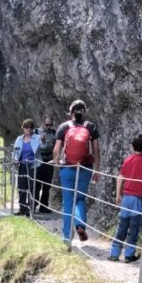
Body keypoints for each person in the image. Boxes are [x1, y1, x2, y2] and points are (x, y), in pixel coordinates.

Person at [52, 99, 100, 244]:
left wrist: (56, 164)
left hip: (67, 169)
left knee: (68, 203)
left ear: (70, 112)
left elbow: (56, 150)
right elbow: (96, 151)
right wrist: (97, 170)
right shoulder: (91, 127)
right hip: (85, 168)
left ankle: (67, 237)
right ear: (84, 112)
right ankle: (80, 225)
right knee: (79, 199)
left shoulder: (63, 127)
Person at [13, 119, 41, 216]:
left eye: (31, 127)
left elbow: (44, 147)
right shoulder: (19, 139)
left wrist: (44, 140)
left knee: (32, 188)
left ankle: (31, 208)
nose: (28, 129)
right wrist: (16, 159)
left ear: (33, 128)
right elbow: (15, 151)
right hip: (22, 165)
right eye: (26, 127)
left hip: (33, 166)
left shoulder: (37, 138)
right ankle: (22, 208)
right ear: (23, 128)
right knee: (21, 187)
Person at [34, 116, 57, 214]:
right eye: (47, 125)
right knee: (37, 184)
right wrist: (41, 142)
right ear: (43, 123)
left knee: (47, 185)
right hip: (39, 160)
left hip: (49, 160)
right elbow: (34, 146)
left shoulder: (53, 133)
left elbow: (55, 145)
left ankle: (44, 206)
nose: (49, 127)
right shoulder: (35, 132)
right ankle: (33, 205)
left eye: (50, 125)